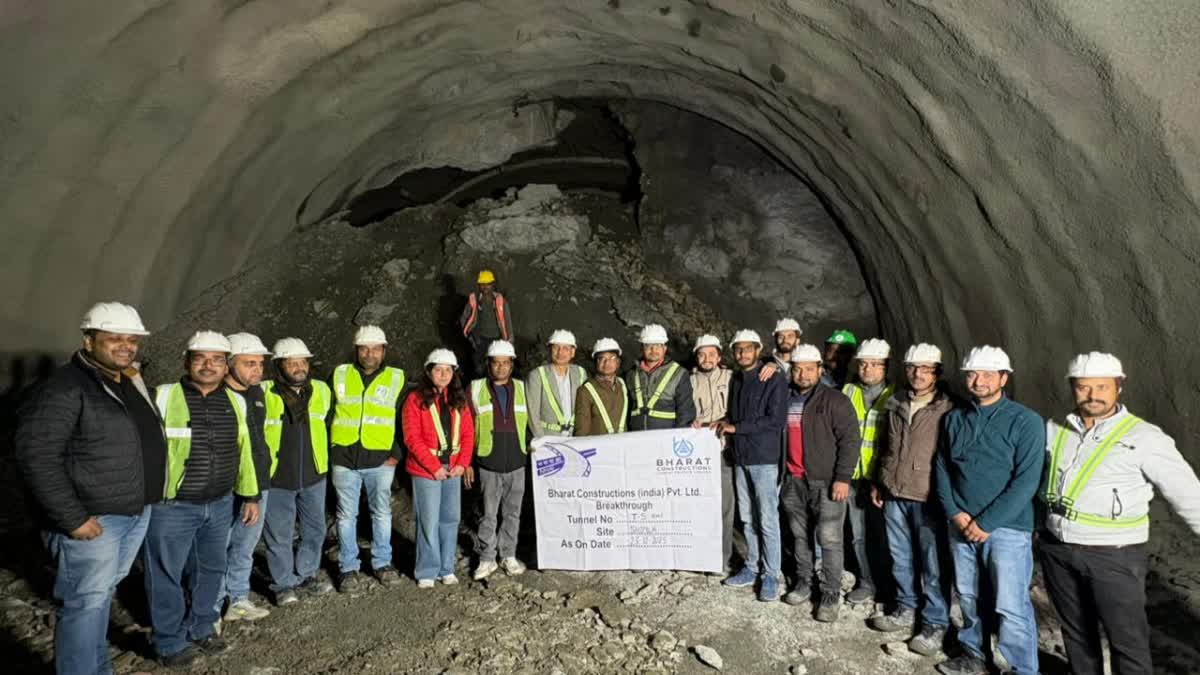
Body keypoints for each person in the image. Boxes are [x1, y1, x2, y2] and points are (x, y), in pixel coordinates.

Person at [15, 302, 163, 675]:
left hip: (132, 511)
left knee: (99, 600)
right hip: (94, 519)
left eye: (131, 339)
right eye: (114, 338)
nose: (126, 346)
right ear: (88, 339)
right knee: (84, 604)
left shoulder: (123, 382)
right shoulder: (66, 387)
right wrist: (73, 518)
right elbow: (36, 456)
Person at [1040, 352, 1200, 675]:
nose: (1093, 395)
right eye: (1084, 387)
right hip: (1059, 549)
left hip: (1115, 555)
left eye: (1102, 386)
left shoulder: (1145, 438)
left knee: (1127, 640)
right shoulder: (1055, 429)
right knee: (1076, 634)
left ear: (1118, 387)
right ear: (1072, 387)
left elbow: (1188, 494)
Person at [145, 331, 260, 665]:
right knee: (165, 573)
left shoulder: (235, 402)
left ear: (226, 366)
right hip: (172, 506)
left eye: (217, 360)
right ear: (187, 362)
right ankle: (169, 642)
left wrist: (250, 495)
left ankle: (203, 628)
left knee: (211, 568)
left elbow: (245, 452)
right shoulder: (164, 396)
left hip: (220, 502)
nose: (209, 366)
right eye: (201, 359)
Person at [934, 346, 1044, 675]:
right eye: (972, 374)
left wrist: (986, 522)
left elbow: (1026, 481)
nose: (978, 380)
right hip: (961, 523)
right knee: (968, 594)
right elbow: (941, 468)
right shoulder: (954, 419)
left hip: (1008, 528)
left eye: (987, 374)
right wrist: (955, 513)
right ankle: (974, 655)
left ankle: (1023, 668)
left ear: (1003, 378)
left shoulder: (1026, 421)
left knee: (1010, 605)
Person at [870, 343, 955, 656]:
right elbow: (886, 446)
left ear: (936, 373)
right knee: (900, 556)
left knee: (933, 564)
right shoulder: (895, 403)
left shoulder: (947, 408)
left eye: (926, 368)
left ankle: (935, 622)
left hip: (927, 495)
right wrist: (880, 482)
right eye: (913, 368)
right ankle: (906, 606)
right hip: (894, 492)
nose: (918, 374)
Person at [776, 344, 861, 621]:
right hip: (793, 480)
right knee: (799, 537)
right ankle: (803, 582)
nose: (803, 374)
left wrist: (842, 479)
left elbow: (850, 441)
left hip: (826, 482)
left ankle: (830, 594)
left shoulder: (835, 400)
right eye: (798, 369)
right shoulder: (785, 399)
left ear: (819, 370)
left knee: (830, 540)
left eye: (809, 369)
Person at [329, 325, 407, 592]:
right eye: (364, 348)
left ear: (383, 351)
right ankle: (348, 568)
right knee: (346, 515)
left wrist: (396, 453)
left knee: (382, 514)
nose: (369, 353)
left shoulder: (397, 378)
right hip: (344, 458)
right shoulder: (340, 374)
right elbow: (327, 413)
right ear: (356, 350)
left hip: (380, 459)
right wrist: (332, 449)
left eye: (375, 348)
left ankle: (382, 563)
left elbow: (402, 418)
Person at [260, 338, 334, 605]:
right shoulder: (264, 392)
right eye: (292, 363)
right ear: (279, 366)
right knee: (278, 533)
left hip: (314, 474)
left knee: (315, 529)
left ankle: (306, 574)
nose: (298, 367)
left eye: (302, 362)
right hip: (278, 476)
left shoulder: (322, 391)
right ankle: (283, 583)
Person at [718, 330, 788, 602]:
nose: (743, 354)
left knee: (768, 519)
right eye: (738, 350)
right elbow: (735, 415)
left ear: (758, 350)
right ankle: (752, 567)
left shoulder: (774, 378)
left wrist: (736, 427)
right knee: (747, 517)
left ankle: (771, 574)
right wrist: (722, 421)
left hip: (765, 459)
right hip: (742, 458)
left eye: (748, 349)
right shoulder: (738, 379)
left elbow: (776, 420)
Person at [403, 349, 475, 587]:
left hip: (453, 468)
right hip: (427, 470)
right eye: (438, 370)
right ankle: (427, 570)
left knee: (450, 519)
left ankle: (446, 568)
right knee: (428, 520)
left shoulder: (459, 400)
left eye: (448, 370)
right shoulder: (414, 399)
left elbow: (467, 434)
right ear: (428, 371)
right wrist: (434, 467)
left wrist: (462, 464)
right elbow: (412, 438)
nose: (443, 374)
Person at [216, 333, 274, 624]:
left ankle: (237, 598)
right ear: (228, 364)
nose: (257, 370)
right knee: (216, 547)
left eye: (260, 364)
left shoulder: (257, 393)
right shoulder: (216, 395)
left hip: (259, 483)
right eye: (249, 363)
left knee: (245, 546)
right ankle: (211, 607)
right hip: (226, 487)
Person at [468, 340, 531, 580]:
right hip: (488, 462)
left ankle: (508, 555)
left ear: (512, 365)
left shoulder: (523, 388)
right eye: (496, 363)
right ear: (488, 364)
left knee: (513, 513)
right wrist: (468, 463)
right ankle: (486, 558)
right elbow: (466, 427)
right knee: (488, 514)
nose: (501, 368)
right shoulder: (475, 389)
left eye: (506, 363)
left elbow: (531, 424)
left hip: (517, 461)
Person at [841, 338, 896, 605]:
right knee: (858, 535)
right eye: (864, 364)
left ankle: (890, 586)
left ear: (885, 367)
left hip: (882, 479)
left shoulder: (895, 396)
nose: (868, 369)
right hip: (853, 476)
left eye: (875, 364)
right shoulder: (848, 391)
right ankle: (866, 582)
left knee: (887, 536)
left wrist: (884, 478)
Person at [690, 334, 735, 571]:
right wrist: (690, 421)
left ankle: (723, 558)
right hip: (698, 449)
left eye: (711, 354)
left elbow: (740, 408)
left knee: (725, 505)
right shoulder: (688, 380)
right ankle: (700, 555)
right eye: (702, 354)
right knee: (699, 503)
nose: (706, 358)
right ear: (696, 356)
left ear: (719, 356)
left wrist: (725, 420)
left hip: (724, 447)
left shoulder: (731, 378)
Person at [625, 324, 696, 430]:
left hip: (664, 439)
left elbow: (685, 412)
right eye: (648, 345)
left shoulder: (679, 373)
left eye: (658, 345)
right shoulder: (631, 375)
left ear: (665, 348)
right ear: (641, 348)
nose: (653, 350)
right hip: (637, 438)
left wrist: (676, 438)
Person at [526, 329, 587, 437]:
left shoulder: (580, 373)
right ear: (550, 350)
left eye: (565, 348)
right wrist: (542, 441)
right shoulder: (536, 375)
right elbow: (532, 414)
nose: (560, 352)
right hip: (548, 437)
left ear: (572, 352)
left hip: (574, 437)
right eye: (556, 348)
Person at [459, 269, 514, 376]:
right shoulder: (474, 301)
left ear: (493, 284)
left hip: (497, 338)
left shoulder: (500, 301)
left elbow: (507, 321)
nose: (485, 287)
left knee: (496, 365)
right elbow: (464, 318)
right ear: (479, 285)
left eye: (488, 284)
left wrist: (509, 340)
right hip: (480, 339)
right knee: (479, 366)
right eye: (482, 284)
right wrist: (469, 335)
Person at [574, 338, 629, 436]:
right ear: (596, 362)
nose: (607, 363)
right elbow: (581, 431)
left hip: (621, 446)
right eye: (602, 358)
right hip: (598, 448)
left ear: (618, 362)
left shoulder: (622, 385)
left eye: (611, 358)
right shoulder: (586, 391)